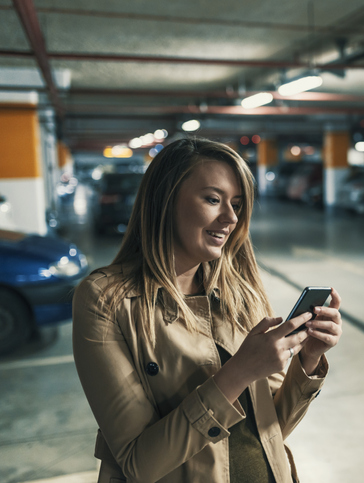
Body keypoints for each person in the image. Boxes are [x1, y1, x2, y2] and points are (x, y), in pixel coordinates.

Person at [72, 138, 342, 483]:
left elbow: (270, 429)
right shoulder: (107, 299)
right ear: (166, 201)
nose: (230, 218)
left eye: (237, 204)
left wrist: (308, 361)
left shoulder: (239, 291)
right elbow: (139, 464)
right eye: (213, 199)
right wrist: (238, 372)